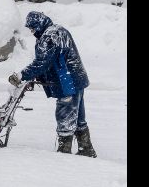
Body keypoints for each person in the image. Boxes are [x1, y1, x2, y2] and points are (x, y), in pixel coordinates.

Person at [8, 11, 96, 157]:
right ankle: (86, 149)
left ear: (39, 24)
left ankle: (64, 153)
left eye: (32, 28)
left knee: (65, 116)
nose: (32, 31)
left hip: (67, 83)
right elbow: (53, 59)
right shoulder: (58, 30)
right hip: (76, 79)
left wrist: (21, 75)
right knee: (79, 118)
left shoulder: (49, 36)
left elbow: (42, 62)